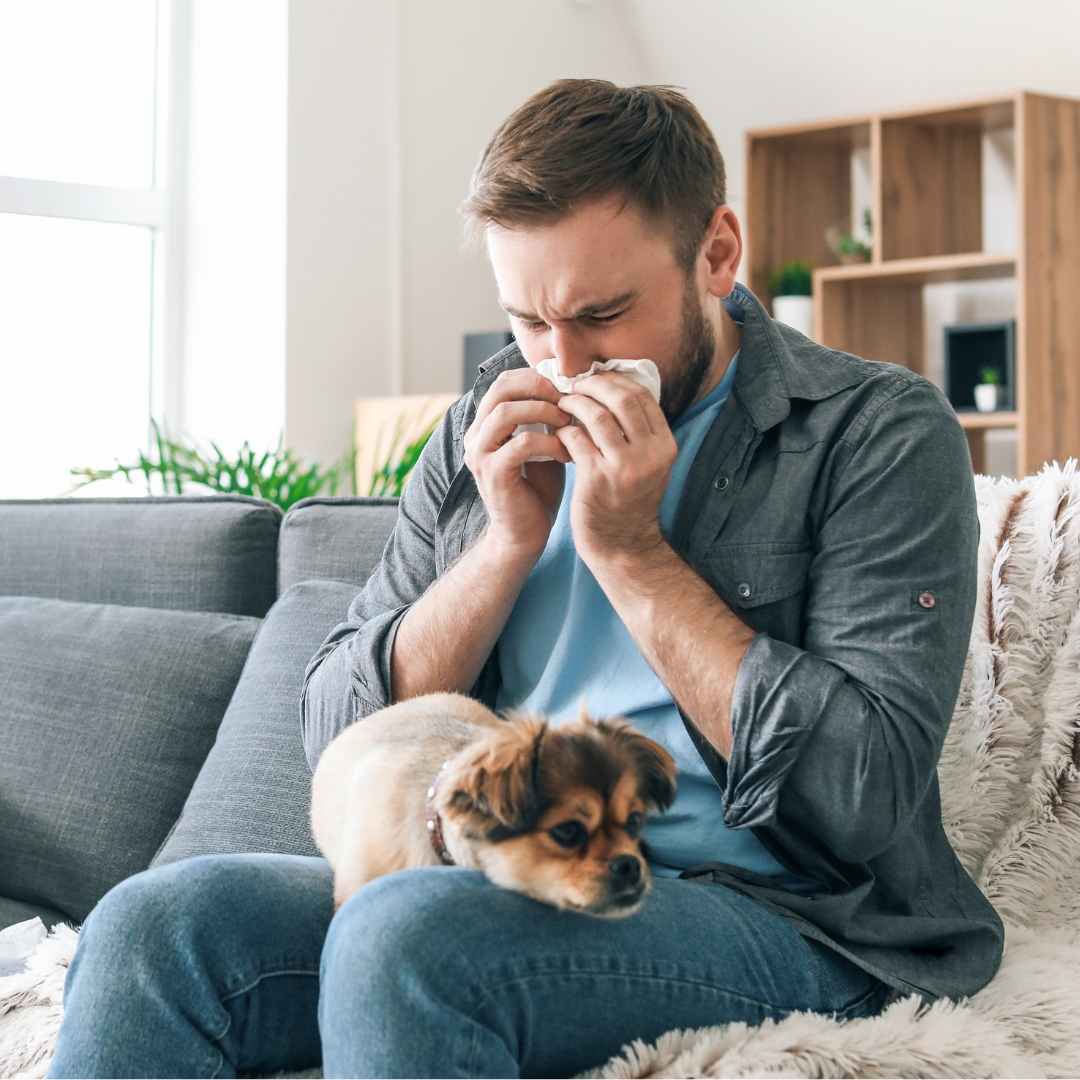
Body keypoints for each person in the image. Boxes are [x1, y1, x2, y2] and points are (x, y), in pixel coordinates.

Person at [50, 80, 1003, 1079]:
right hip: (492, 874)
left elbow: (862, 796)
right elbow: (337, 741)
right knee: (152, 928)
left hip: (779, 910)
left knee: (406, 934)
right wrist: (501, 547)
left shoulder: (874, 433)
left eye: (601, 315)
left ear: (717, 254)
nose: (562, 361)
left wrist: (633, 555)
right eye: (526, 319)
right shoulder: (486, 424)